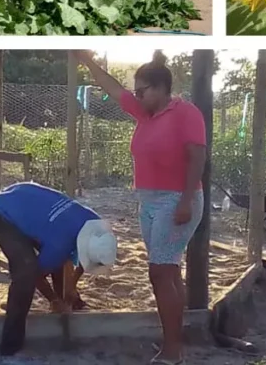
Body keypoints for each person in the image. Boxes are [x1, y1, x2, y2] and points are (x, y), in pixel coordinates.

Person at [75, 50, 207, 365]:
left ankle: (173, 351)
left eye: (142, 90)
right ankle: (176, 342)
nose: (137, 95)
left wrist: (186, 201)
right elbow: (112, 88)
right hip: (148, 201)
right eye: (137, 91)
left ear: (162, 88)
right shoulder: (144, 113)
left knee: (159, 272)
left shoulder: (185, 113)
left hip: (176, 199)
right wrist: (87, 61)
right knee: (167, 270)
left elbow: (198, 156)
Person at [0, 181, 117, 358]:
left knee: (56, 260)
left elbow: (82, 260)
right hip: (1, 211)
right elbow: (37, 277)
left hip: (28, 197)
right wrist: (53, 299)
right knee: (26, 272)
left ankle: (66, 300)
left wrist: (71, 286)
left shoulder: (94, 223)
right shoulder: (60, 243)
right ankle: (10, 348)